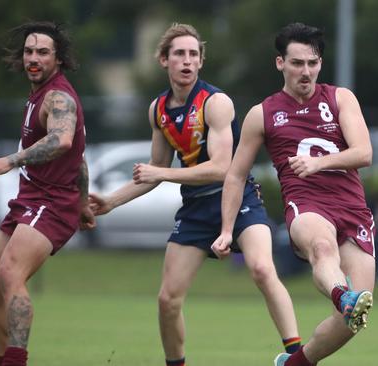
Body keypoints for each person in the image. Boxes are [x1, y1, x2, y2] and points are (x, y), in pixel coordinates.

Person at [88, 23, 300, 366]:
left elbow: (220, 167)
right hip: (196, 209)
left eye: (193, 55)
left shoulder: (216, 103)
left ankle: (297, 356)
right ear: (164, 60)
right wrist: (110, 202)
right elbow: (153, 171)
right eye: (179, 54)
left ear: (201, 62)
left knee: (262, 268)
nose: (187, 61)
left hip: (238, 199)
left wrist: (162, 173)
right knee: (168, 300)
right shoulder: (158, 109)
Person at [211, 22, 376, 366]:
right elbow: (236, 175)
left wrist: (319, 164)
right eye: (297, 63)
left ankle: (295, 363)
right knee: (322, 248)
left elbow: (364, 153)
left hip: (353, 207)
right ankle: (340, 294)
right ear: (280, 63)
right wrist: (227, 231)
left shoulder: (340, 98)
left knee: (355, 318)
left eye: (312, 63)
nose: (306, 71)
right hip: (308, 205)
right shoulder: (263, 114)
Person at [0, 21, 95, 366]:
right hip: (33, 200)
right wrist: (85, 202)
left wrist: (10, 161)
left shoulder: (58, 96)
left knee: (10, 273)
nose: (34, 58)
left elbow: (62, 141)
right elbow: (80, 156)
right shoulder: (38, 95)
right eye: (29, 51)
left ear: (57, 59)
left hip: (51, 203)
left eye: (43, 52)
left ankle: (16, 361)